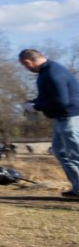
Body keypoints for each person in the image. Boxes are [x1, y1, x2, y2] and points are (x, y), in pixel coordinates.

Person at [18, 48, 79, 199]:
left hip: (69, 117)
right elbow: (50, 97)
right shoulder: (47, 71)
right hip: (61, 118)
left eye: (25, 66)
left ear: (28, 62)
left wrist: (36, 107)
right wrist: (33, 102)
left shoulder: (53, 73)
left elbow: (61, 101)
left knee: (74, 154)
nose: (27, 69)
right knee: (61, 152)